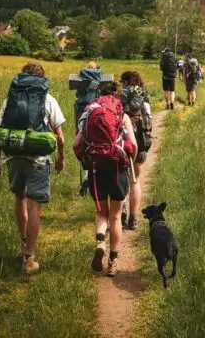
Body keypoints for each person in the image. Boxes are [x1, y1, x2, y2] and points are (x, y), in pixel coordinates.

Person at [0, 61, 65, 274]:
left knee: (19, 198)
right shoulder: (48, 99)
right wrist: (61, 158)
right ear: (42, 79)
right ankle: (29, 257)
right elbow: (59, 136)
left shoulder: (10, 100)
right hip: (38, 160)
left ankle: (24, 243)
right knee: (34, 206)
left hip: (13, 157)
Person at [74, 82, 137, 277]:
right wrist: (129, 162)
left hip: (96, 168)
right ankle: (113, 261)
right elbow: (133, 145)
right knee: (116, 216)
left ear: (99, 95)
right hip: (118, 167)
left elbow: (77, 144)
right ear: (117, 96)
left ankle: (100, 241)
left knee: (102, 212)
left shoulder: (89, 113)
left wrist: (85, 162)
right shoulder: (122, 115)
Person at [119, 70, 152, 231]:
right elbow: (148, 114)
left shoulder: (122, 93)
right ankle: (133, 218)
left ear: (125, 82)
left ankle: (122, 211)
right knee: (135, 180)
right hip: (142, 138)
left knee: (122, 178)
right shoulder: (143, 93)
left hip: (126, 139)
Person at [74, 61, 102, 196]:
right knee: (94, 144)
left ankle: (86, 176)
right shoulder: (101, 78)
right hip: (95, 113)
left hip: (81, 114)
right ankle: (94, 176)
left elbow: (77, 95)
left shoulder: (81, 78)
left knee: (82, 144)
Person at [160, 44, 177, 109]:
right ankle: (172, 102)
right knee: (172, 91)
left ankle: (167, 104)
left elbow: (161, 67)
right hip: (173, 76)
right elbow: (176, 65)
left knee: (166, 90)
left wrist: (162, 71)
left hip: (165, 76)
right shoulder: (173, 55)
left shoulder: (164, 56)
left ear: (165, 51)